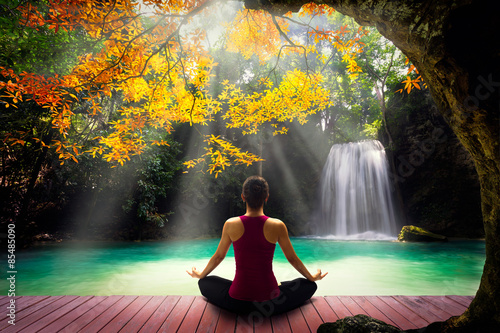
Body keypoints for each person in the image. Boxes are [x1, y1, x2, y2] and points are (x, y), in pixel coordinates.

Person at [187, 175, 327, 316]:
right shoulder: (277, 225)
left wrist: (200, 274)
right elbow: (292, 259)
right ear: (266, 197)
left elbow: (218, 257)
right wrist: (311, 277)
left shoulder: (230, 224)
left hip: (237, 302)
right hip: (270, 303)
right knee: (309, 285)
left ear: (243, 197)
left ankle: (241, 289)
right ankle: (280, 285)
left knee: (204, 282)